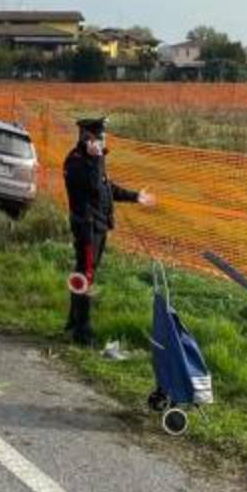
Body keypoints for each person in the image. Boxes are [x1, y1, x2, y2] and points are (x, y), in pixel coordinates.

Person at [63, 117, 155, 346]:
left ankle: (73, 321)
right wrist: (96, 159)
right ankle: (82, 332)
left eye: (104, 137)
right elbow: (93, 187)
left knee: (84, 272)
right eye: (100, 137)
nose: (104, 141)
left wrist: (135, 196)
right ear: (87, 137)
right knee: (86, 275)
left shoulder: (95, 161)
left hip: (100, 225)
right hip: (87, 227)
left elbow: (106, 187)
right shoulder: (76, 162)